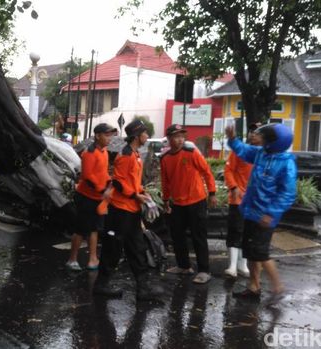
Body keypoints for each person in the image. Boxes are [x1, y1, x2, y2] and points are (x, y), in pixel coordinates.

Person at [93, 119, 164, 302]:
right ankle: (101, 285)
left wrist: (142, 193)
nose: (147, 136)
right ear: (137, 135)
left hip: (131, 209)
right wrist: (135, 195)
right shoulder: (125, 156)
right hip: (120, 210)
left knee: (137, 248)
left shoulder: (135, 154)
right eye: (145, 133)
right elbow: (118, 181)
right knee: (113, 248)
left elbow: (132, 181)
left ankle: (143, 289)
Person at [225, 123, 297, 300]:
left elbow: (287, 194)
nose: (256, 137)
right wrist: (233, 139)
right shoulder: (261, 154)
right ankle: (253, 287)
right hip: (251, 211)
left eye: (261, 135)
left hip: (264, 217)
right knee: (250, 252)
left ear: (273, 141)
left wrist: (271, 213)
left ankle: (277, 286)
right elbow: (243, 150)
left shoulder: (286, 164)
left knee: (261, 253)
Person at [160, 124, 217, 284]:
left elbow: (207, 171)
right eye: (176, 136)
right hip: (177, 203)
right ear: (169, 139)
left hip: (196, 201)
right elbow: (165, 182)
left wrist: (212, 193)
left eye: (182, 136)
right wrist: (165, 200)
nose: (180, 139)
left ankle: (204, 271)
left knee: (198, 236)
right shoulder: (164, 159)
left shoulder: (191, 153)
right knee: (177, 236)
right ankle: (184, 266)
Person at [65, 123, 117, 271]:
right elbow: (88, 177)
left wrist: (109, 184)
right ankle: (72, 259)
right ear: (98, 135)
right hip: (86, 196)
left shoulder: (104, 152)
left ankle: (93, 259)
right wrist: (103, 190)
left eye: (110, 135)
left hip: (98, 197)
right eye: (106, 135)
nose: (109, 138)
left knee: (94, 229)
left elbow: (103, 173)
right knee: (81, 230)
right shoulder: (89, 153)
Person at [223, 122, 262, 278]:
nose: (253, 134)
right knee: (236, 231)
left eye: (257, 132)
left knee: (248, 233)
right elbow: (228, 170)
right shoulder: (240, 151)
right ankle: (232, 266)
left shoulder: (265, 154)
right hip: (238, 199)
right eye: (251, 131)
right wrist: (233, 187)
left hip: (255, 201)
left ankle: (242, 265)